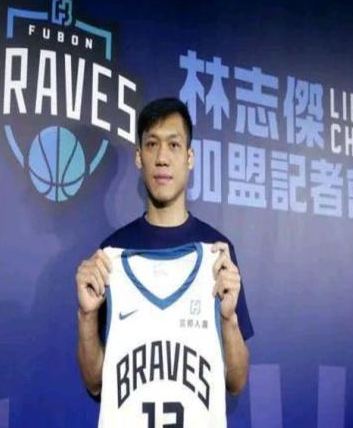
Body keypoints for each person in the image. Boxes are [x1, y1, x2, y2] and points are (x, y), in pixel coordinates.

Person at [75, 97, 254, 417]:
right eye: (152, 144)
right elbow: (95, 382)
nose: (162, 158)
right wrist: (87, 317)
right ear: (139, 157)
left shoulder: (217, 252)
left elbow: (236, 381)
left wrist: (229, 320)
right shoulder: (110, 255)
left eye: (174, 145)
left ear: (189, 157)